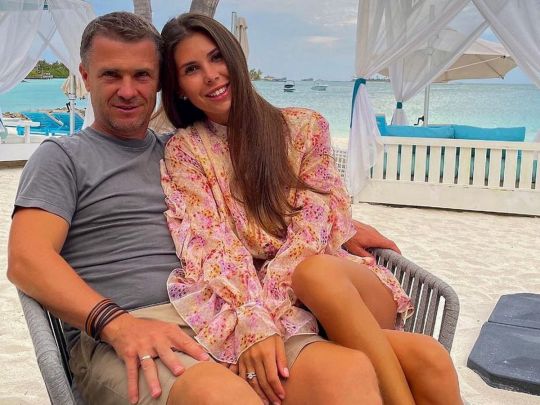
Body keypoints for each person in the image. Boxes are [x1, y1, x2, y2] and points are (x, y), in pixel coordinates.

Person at [7, 11, 401, 405]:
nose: (128, 90)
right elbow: (26, 259)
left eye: (142, 76)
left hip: (221, 317)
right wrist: (115, 323)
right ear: (86, 76)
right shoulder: (62, 157)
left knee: (345, 373)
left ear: (160, 83)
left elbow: (267, 208)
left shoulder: (188, 154)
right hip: (131, 327)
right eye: (111, 75)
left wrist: (344, 226)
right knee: (222, 397)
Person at [159, 13, 462, 405]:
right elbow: (214, 246)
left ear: (235, 58)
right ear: (180, 88)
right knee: (429, 358)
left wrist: (269, 305)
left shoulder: (303, 128)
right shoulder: (186, 151)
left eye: (217, 57)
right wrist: (254, 316)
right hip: (267, 308)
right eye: (192, 69)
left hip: (341, 294)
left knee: (315, 271)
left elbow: (313, 229)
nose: (211, 75)